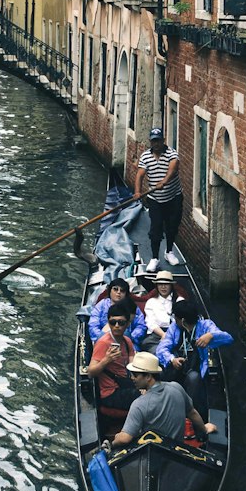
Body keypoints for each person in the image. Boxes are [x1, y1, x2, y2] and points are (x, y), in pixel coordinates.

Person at [110, 351, 217, 447]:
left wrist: (113, 443)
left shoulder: (139, 404)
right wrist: (204, 429)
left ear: (148, 377)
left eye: (135, 375)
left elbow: (124, 439)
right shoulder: (177, 387)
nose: (131, 378)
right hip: (178, 451)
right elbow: (192, 413)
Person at [157, 299, 233, 420]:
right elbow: (161, 348)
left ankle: (192, 416)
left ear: (182, 320)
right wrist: (172, 359)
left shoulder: (205, 326)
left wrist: (211, 335)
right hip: (176, 369)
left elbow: (228, 338)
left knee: (194, 378)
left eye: (175, 317)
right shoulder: (174, 328)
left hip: (195, 370)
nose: (174, 320)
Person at [134, 126, 183, 273]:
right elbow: (140, 175)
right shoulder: (145, 157)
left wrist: (164, 181)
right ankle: (154, 258)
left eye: (159, 141)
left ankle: (169, 252)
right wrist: (137, 191)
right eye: (154, 141)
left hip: (174, 197)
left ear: (163, 140)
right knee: (155, 229)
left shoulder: (171, 153)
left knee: (172, 226)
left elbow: (173, 168)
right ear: (150, 141)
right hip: (155, 199)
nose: (156, 144)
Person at [86, 306, 139, 417]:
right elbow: (90, 372)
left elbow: (132, 360)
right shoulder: (103, 343)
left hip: (125, 383)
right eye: (113, 322)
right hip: (110, 392)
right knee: (145, 397)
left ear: (128, 324)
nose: (116, 326)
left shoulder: (127, 340)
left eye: (121, 323)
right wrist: (107, 360)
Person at [88, 278, 147, 345]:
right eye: (115, 289)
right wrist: (104, 339)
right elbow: (93, 325)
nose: (118, 292)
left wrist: (130, 338)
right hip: (103, 340)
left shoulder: (132, 306)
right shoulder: (101, 305)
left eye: (122, 290)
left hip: (128, 342)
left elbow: (141, 326)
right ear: (110, 291)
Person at [140, 270, 179, 352]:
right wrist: (163, 335)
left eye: (166, 284)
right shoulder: (151, 302)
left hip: (176, 335)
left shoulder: (179, 301)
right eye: (160, 284)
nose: (163, 287)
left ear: (171, 285)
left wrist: (170, 335)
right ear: (157, 286)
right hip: (156, 336)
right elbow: (151, 323)